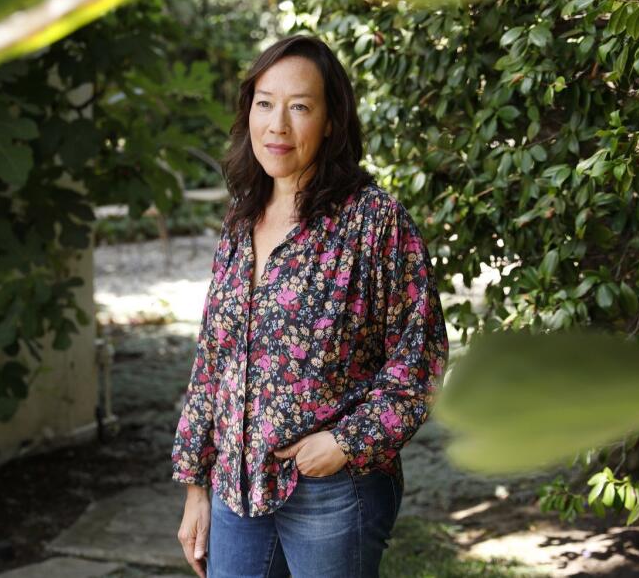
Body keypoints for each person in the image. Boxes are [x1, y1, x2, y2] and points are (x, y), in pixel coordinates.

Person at [171, 33, 450, 578]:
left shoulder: (373, 221)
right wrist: (195, 487)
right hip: (236, 487)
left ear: (330, 121)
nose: (277, 125)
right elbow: (213, 364)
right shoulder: (239, 222)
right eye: (265, 103)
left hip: (332, 487)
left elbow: (420, 359)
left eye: (299, 107)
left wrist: (346, 442)